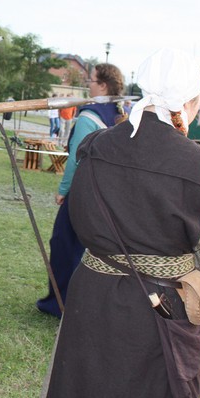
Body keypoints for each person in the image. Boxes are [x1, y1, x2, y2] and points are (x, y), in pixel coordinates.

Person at [41, 49, 200, 398]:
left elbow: (78, 216)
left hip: (92, 292)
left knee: (80, 388)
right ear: (192, 102)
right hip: (159, 304)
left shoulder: (93, 146)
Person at [36, 63, 125, 318]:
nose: (89, 84)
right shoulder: (118, 115)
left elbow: (76, 158)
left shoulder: (90, 117)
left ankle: (60, 304)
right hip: (106, 195)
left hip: (83, 194)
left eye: (93, 81)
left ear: (104, 86)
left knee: (65, 247)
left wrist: (64, 190)